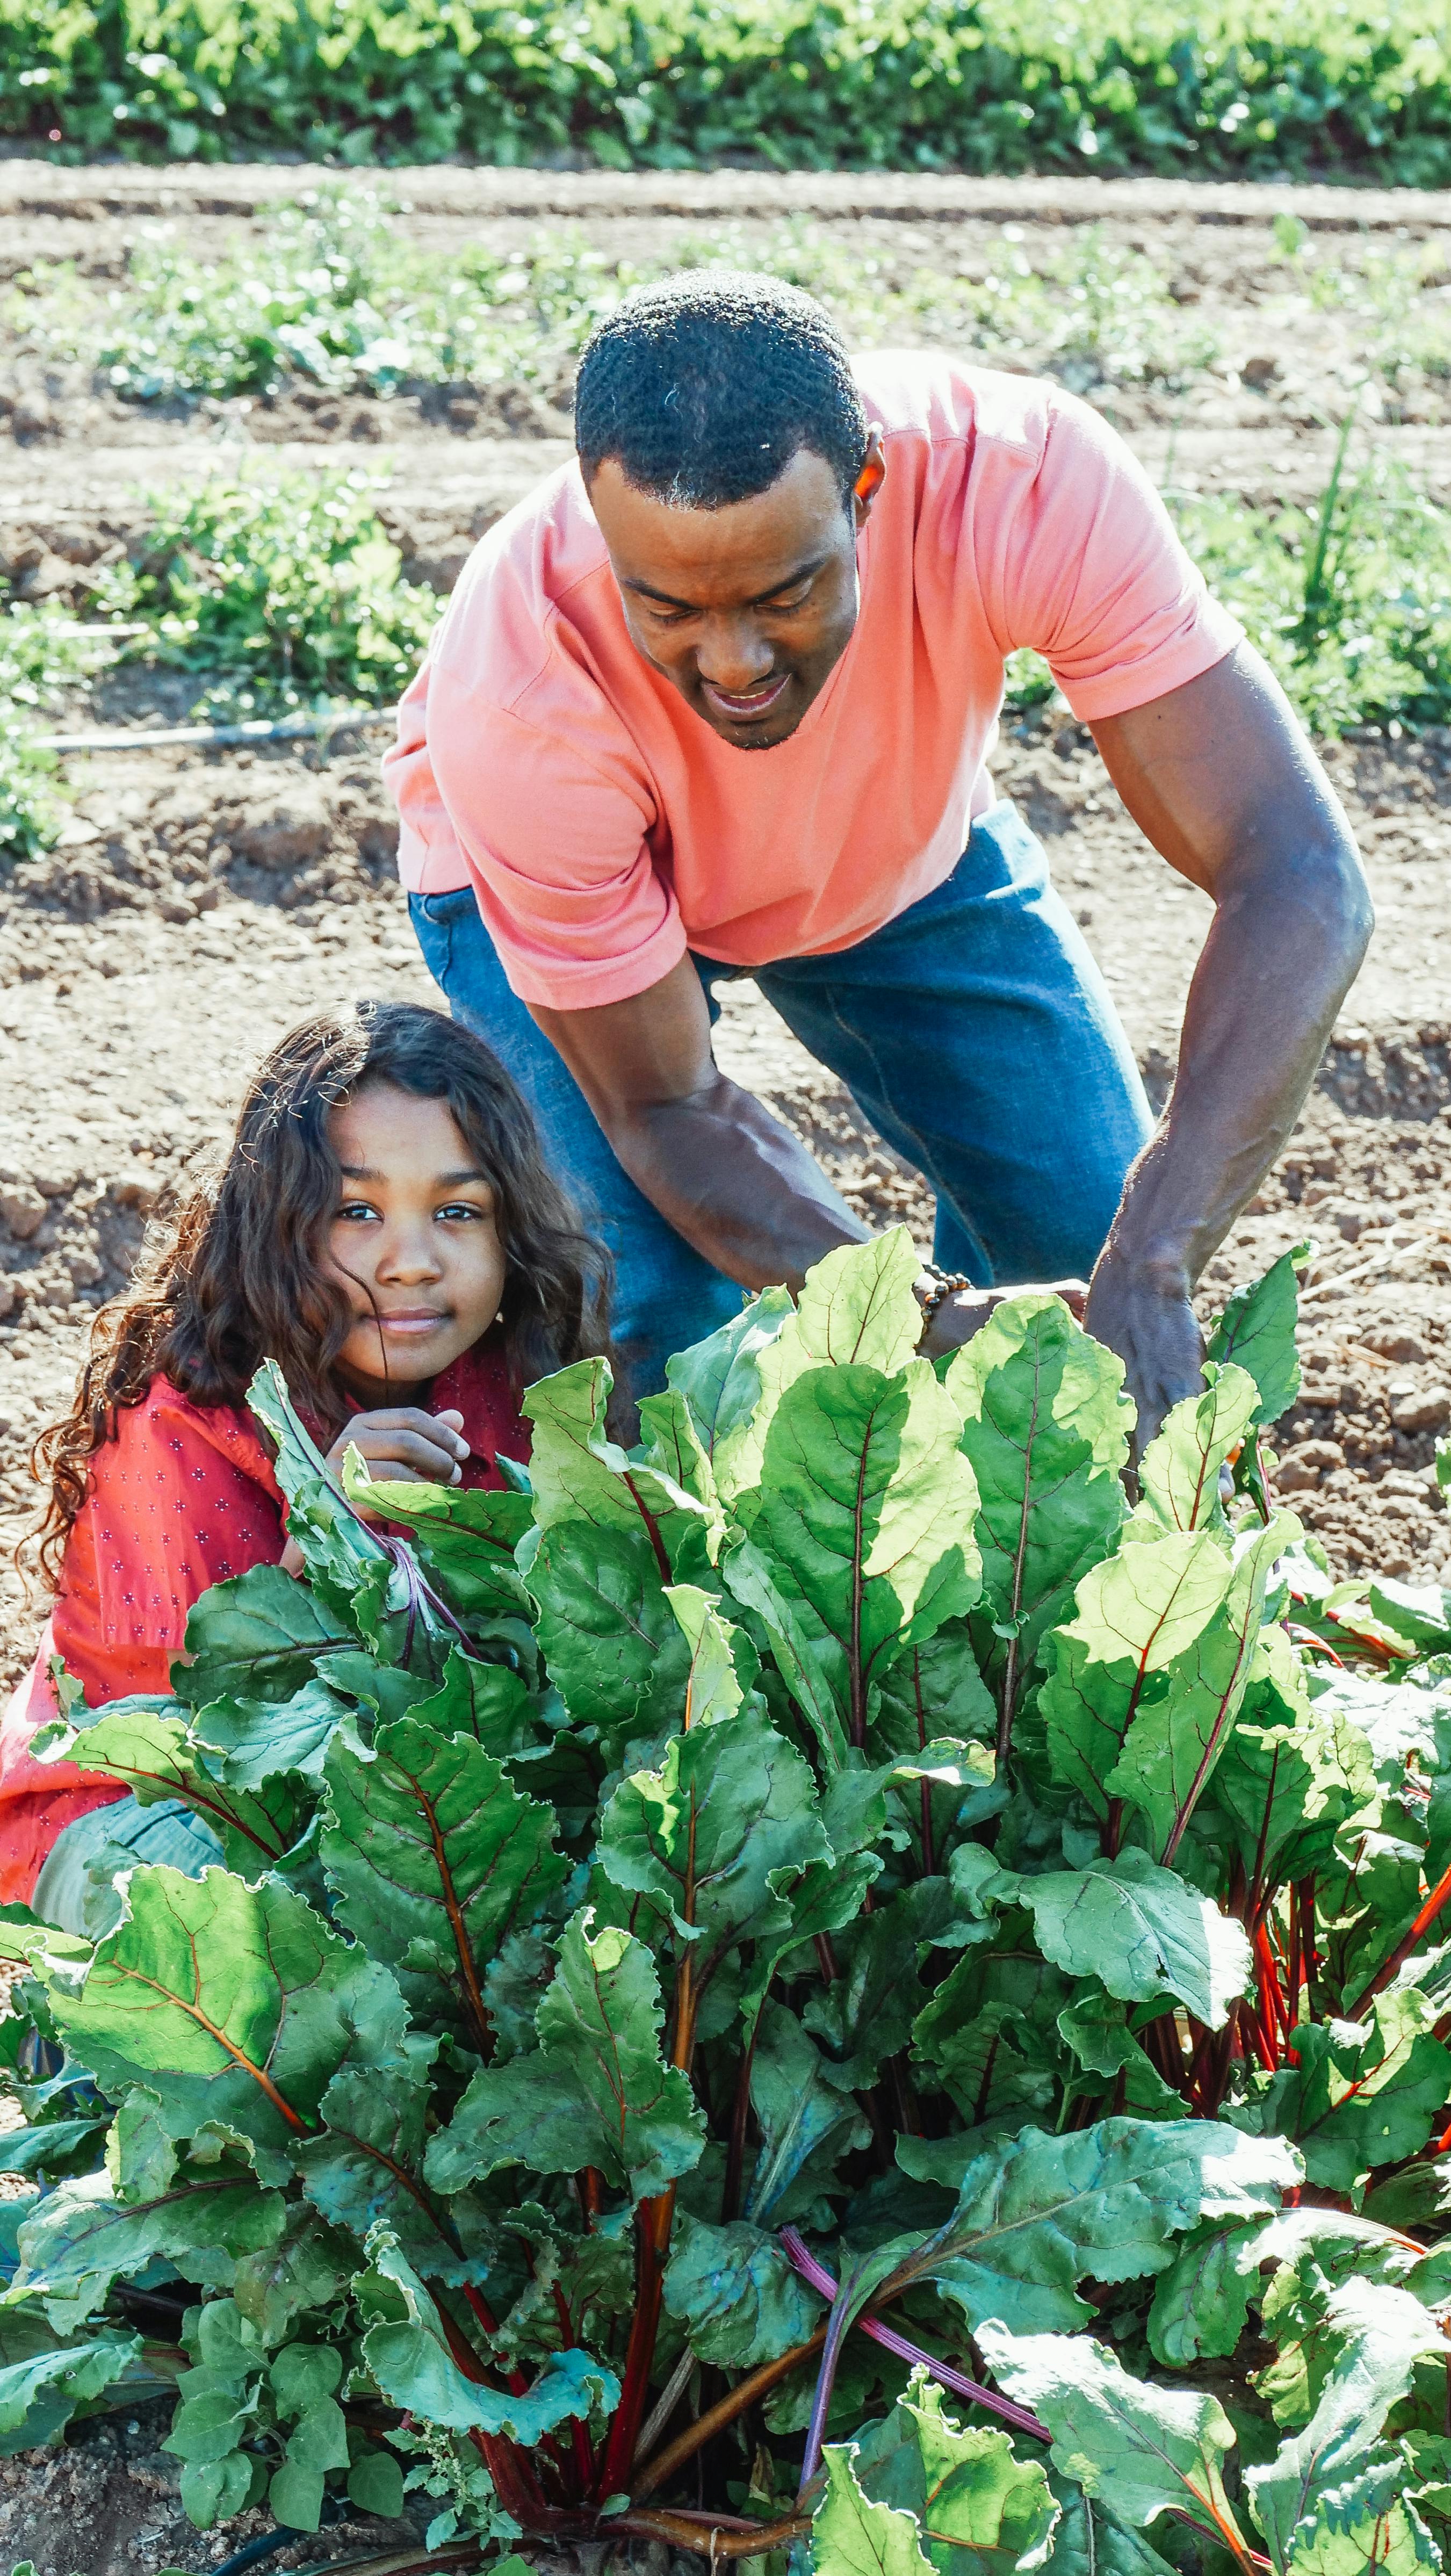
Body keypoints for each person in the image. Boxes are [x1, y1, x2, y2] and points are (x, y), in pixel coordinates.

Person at [387, 270, 1371, 1425]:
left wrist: (1153, 1255)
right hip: (567, 882)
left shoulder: (1022, 481)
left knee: (1077, 1228)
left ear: (867, 493)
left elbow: (1297, 872)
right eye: (671, 611)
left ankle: (1003, 1571)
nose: (737, 662)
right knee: (656, 1323)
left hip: (889, 839)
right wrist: (925, 1315)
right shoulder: (519, 684)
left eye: (785, 592)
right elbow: (667, 1108)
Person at [0, 999, 608, 1914]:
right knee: (204, 1905)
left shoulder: (511, 1386)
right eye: (355, 1211)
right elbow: (204, 1725)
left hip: (404, 1795)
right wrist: (329, 1532)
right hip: (152, 1806)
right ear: (273, 1227)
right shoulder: (183, 1426)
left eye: (457, 1210)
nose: (411, 1261)